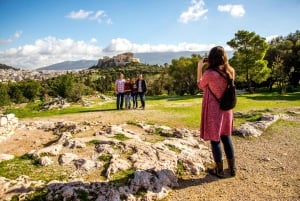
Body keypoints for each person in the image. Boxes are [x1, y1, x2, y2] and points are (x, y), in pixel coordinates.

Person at [197, 46, 236, 178]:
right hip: (227, 109)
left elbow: (200, 85)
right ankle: (232, 169)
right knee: (226, 137)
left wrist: (199, 68)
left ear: (211, 58)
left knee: (215, 139)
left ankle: (219, 170)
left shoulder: (209, 74)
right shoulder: (230, 71)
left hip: (215, 110)